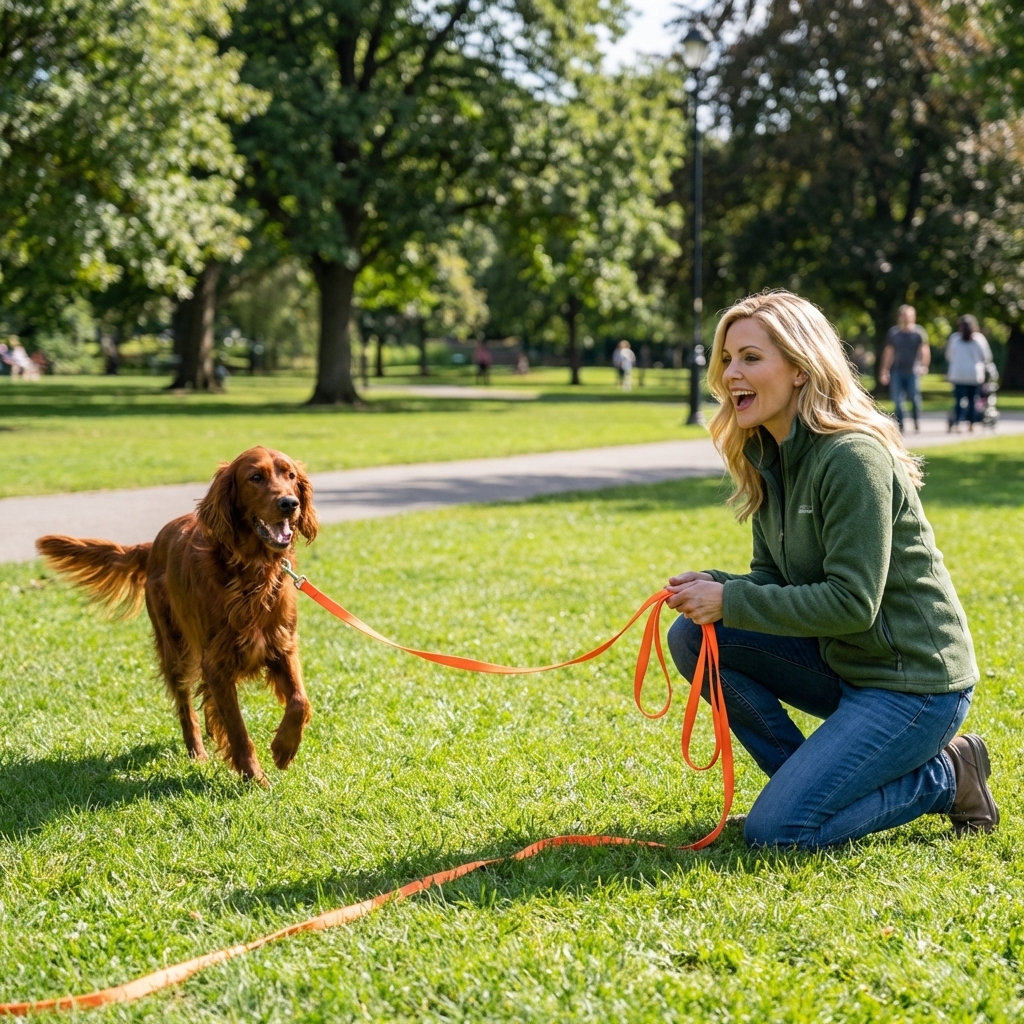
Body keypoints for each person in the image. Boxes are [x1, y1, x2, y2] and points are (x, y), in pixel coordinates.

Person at [665, 290, 996, 849]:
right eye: (726, 358)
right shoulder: (766, 456)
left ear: (799, 369)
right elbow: (773, 580)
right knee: (693, 637)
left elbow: (851, 602)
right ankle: (805, 790)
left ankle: (949, 775)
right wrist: (721, 587)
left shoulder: (851, 458)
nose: (729, 375)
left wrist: (732, 601)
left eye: (750, 357)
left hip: (914, 684)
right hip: (845, 663)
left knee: (780, 834)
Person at [879, 304, 930, 432]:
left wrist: (924, 366)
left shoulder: (919, 332)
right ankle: (900, 424)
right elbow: (888, 353)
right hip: (897, 371)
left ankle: (916, 420)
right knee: (897, 399)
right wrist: (884, 370)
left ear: (913, 317)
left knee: (914, 398)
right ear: (899, 317)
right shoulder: (894, 333)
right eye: (904, 315)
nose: (906, 318)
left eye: (908, 315)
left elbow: (925, 350)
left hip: (913, 371)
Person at [945, 315, 992, 433]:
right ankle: (971, 424)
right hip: (974, 374)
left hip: (958, 373)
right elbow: (987, 357)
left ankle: (957, 423)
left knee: (959, 400)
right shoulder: (979, 339)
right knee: (972, 400)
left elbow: (949, 355)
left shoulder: (954, 338)